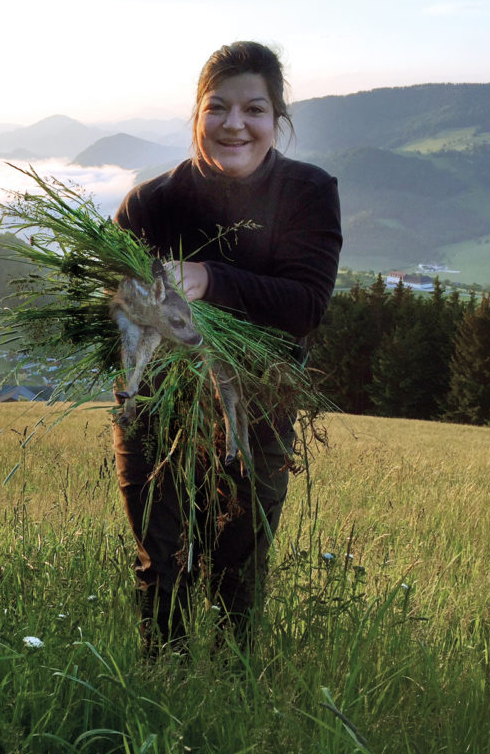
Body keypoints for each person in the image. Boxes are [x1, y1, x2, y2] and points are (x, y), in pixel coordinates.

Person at [112, 40, 343, 655]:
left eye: (255, 109)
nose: (234, 124)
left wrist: (210, 280)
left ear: (277, 120)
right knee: (160, 554)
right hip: (155, 401)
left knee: (240, 555)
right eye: (218, 108)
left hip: (260, 398)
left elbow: (306, 305)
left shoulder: (308, 192)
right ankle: (162, 673)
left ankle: (234, 681)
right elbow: (112, 310)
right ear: (197, 115)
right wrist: (127, 302)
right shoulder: (150, 202)